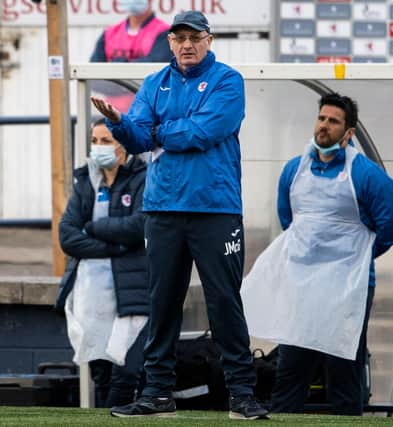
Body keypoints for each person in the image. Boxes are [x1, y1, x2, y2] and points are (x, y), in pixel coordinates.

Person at [91, 10, 269, 421]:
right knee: (163, 302)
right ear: (170, 42)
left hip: (215, 209)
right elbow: (137, 138)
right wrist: (119, 123)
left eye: (194, 37)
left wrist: (156, 131)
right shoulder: (155, 83)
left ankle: (241, 395)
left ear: (209, 40)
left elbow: (204, 131)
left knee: (224, 301)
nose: (186, 45)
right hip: (163, 209)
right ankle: (156, 394)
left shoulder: (228, 80)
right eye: (179, 38)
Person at [241, 93, 393, 415]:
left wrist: (357, 258)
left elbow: (388, 225)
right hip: (303, 285)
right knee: (291, 368)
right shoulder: (294, 170)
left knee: (344, 369)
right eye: (321, 118)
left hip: (348, 288)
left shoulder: (367, 175)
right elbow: (289, 220)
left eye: (333, 121)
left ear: (349, 133)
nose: (324, 126)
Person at [56, 118, 149, 408]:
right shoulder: (85, 180)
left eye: (106, 141)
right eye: (95, 141)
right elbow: (68, 236)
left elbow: (138, 226)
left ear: (124, 146)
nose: (98, 148)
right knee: (101, 372)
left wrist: (93, 228)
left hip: (131, 289)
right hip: (90, 292)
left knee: (128, 372)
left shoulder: (143, 177)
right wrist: (116, 246)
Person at [90, 0, 172, 113]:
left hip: (149, 113)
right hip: (110, 113)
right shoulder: (110, 33)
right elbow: (94, 74)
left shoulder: (164, 32)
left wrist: (116, 73)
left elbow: (154, 72)